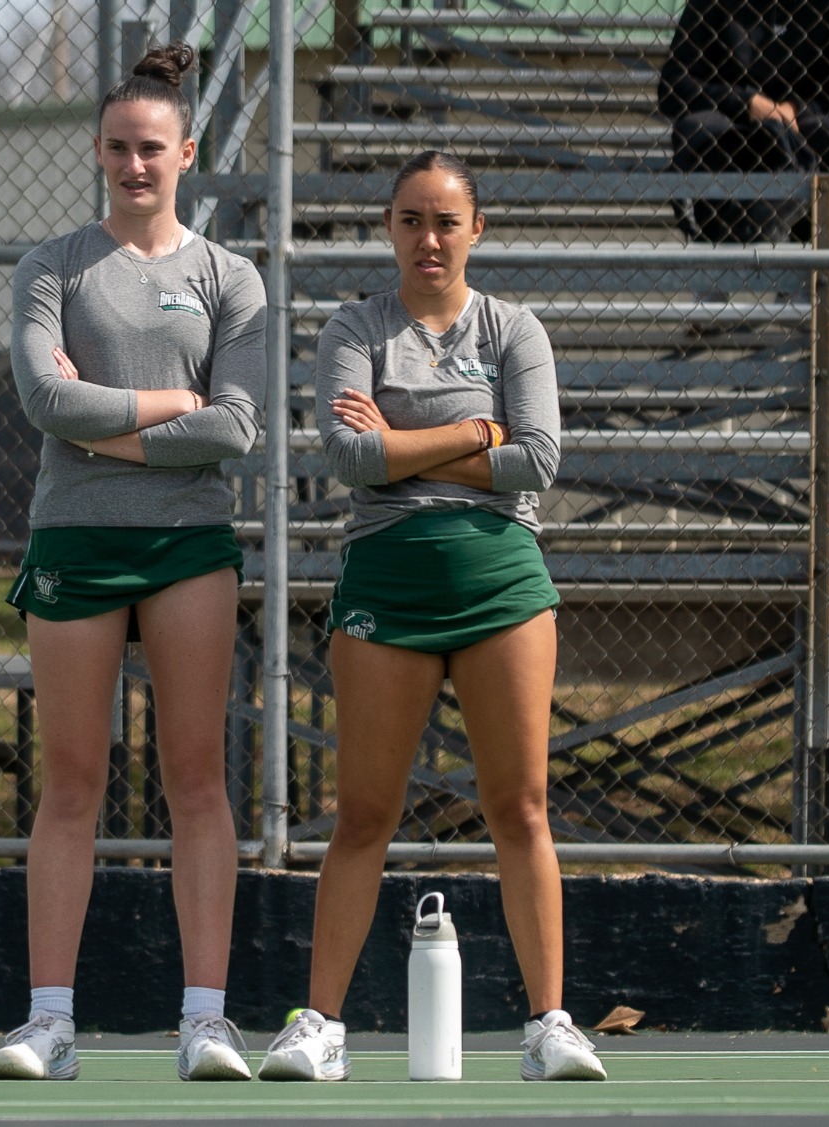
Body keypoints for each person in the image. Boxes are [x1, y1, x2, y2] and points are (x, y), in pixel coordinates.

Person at [257, 151, 605, 1084]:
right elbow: (348, 456)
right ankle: (320, 1025)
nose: (430, 238)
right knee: (364, 813)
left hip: (501, 582)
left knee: (520, 808)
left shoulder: (515, 328)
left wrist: (404, 444)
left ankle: (549, 1025)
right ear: (390, 230)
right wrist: (469, 433)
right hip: (387, 581)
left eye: (447, 220)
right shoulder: (353, 327)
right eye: (411, 220)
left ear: (476, 229)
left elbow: (536, 459)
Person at [0, 42, 265, 1084]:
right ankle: (48, 1020)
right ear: (97, 152)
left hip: (187, 543)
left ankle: (205, 1018)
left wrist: (106, 427)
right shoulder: (51, 264)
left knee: (195, 780)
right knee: (72, 783)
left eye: (151, 149)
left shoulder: (228, 277)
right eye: (116, 149)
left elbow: (236, 428)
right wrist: (165, 406)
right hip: (74, 541)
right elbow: (43, 402)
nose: (133, 166)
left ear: (186, 151)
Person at [656, 0, 829, 244]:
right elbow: (673, 85)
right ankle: (723, 240)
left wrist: (794, 108)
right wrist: (746, 102)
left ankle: (816, 247)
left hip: (798, 121)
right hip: (731, 117)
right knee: (698, 128)